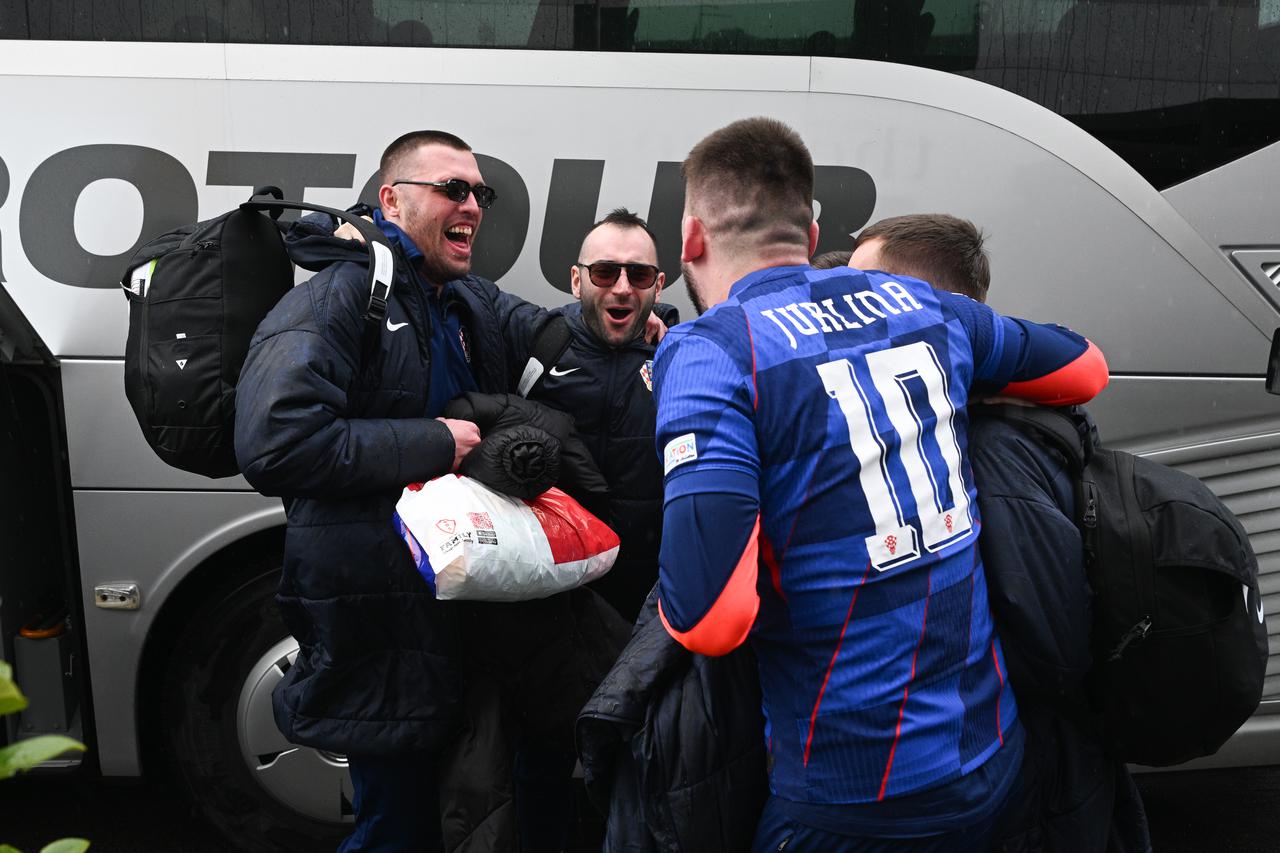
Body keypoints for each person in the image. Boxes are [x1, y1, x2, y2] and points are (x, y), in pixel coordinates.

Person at [651, 117, 1109, 852]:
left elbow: (713, 617)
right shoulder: (922, 306)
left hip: (851, 794)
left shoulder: (712, 349)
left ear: (692, 240)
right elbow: (1085, 367)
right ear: (813, 224)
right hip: (994, 754)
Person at [234, 129, 548, 853]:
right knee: (397, 830)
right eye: (453, 188)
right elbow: (276, 440)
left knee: (458, 818)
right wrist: (437, 439)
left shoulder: (460, 298)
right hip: (378, 620)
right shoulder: (343, 293)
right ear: (393, 199)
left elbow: (552, 338)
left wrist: (652, 327)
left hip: (446, 610)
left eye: (480, 192)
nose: (473, 204)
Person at [848, 213, 1151, 853]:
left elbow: (1054, 644)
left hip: (1037, 785)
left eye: (866, 296)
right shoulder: (957, 424)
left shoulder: (990, 448)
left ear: (936, 308)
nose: (845, 316)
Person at [530, 208, 674, 622]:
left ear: (658, 287)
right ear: (577, 281)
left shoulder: (682, 361)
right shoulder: (536, 342)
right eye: (606, 272)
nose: (623, 288)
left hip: (643, 608)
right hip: (547, 602)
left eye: (640, 275)